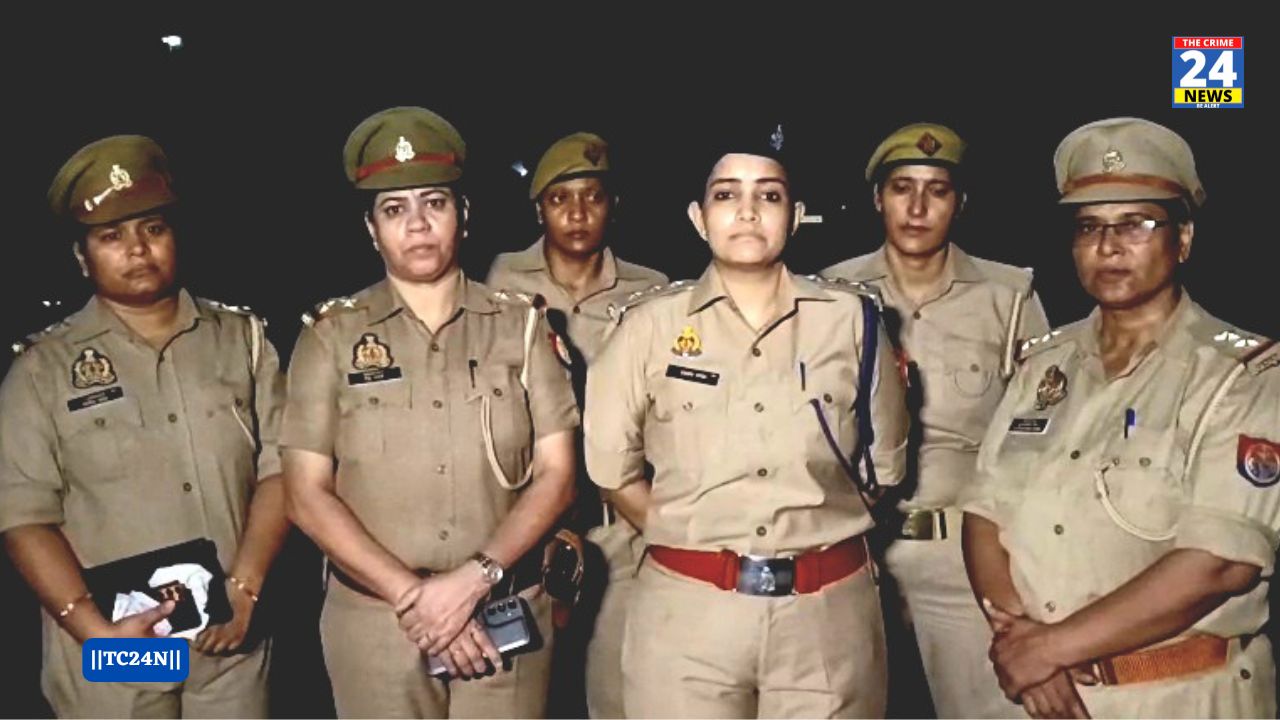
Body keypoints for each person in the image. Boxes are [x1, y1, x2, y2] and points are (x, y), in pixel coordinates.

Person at [584, 127, 909, 717]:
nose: (748, 210)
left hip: (827, 618)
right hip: (688, 616)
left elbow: (883, 467)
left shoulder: (853, 322)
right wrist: (690, 535)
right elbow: (611, 467)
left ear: (796, 215)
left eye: (770, 195)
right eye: (726, 194)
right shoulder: (648, 328)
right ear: (698, 217)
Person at [961, 117, 1280, 718]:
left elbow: (1219, 564)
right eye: (1089, 227)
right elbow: (984, 512)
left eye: (1136, 223)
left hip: (1178, 694)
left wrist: (1045, 650)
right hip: (1044, 695)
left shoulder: (1242, 377)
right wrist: (1020, 645)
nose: (1108, 247)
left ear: (1183, 239)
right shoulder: (1043, 366)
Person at [281, 106, 579, 718]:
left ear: (463, 215)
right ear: (371, 230)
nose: (417, 224)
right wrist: (420, 600)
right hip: (379, 622)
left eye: (434, 203)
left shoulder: (521, 326)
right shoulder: (330, 337)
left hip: (503, 609)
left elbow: (558, 475)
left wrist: (472, 581)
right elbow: (305, 494)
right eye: (394, 210)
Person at [0, 135, 288, 717]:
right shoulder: (42, 370)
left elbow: (282, 471)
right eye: (111, 236)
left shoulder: (242, 341)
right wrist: (95, 632)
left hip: (229, 639)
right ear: (82, 257)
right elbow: (23, 515)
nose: (137, 249)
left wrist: (247, 587)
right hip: (113, 642)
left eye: (152, 229)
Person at [823, 122, 1048, 718]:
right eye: (902, 188)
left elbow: (1039, 436)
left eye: (937, 190)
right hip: (854, 550)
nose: (918, 207)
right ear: (878, 199)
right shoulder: (831, 295)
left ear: (960, 202)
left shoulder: (1008, 297)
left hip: (962, 556)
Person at [485, 131, 667, 719]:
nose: (578, 212)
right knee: (515, 698)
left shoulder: (651, 291)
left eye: (593, 196)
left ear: (614, 205)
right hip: (525, 526)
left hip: (618, 527)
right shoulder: (498, 283)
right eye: (560, 199)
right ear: (538, 209)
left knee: (621, 696)